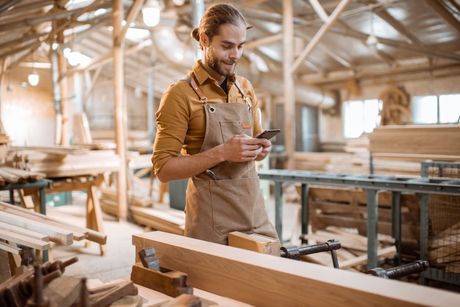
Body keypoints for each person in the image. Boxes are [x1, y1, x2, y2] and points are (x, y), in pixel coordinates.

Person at [152, 3, 278, 245]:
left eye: (240, 46)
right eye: (227, 46)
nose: (235, 55)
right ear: (204, 40)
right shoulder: (179, 94)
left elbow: (253, 152)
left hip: (254, 213)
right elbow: (164, 169)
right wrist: (222, 153)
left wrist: (260, 149)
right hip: (211, 221)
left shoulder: (246, 89)